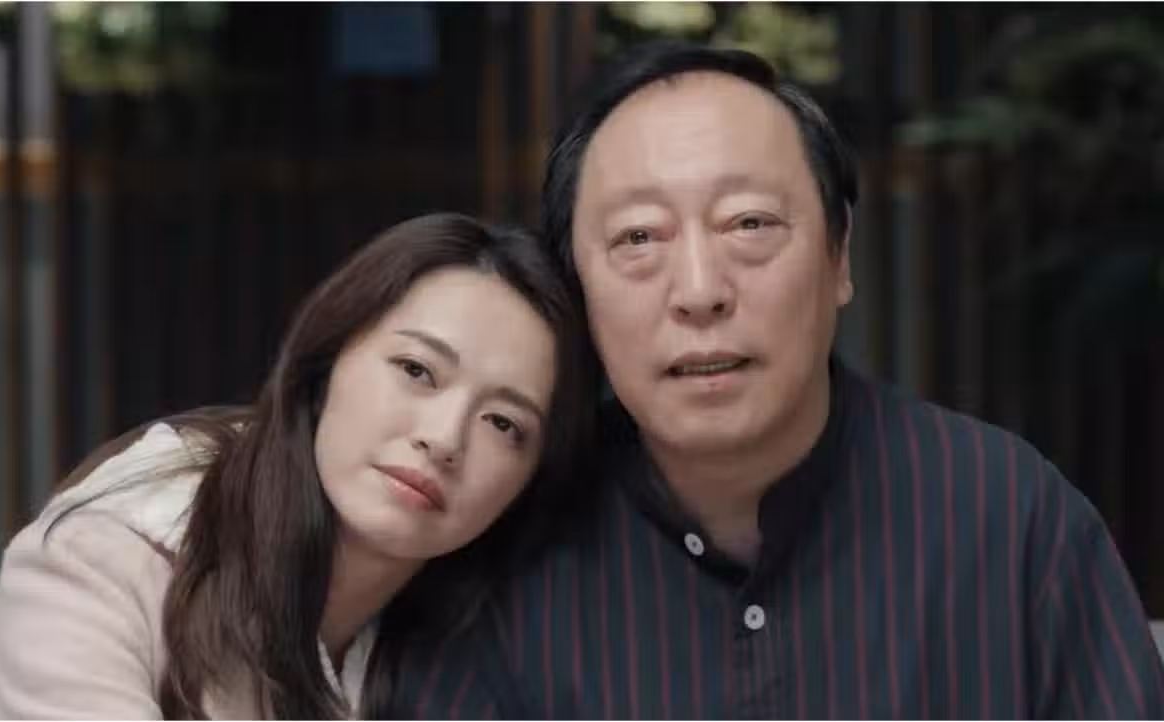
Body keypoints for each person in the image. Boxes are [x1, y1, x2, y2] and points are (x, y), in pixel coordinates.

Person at [391, 42, 1164, 719]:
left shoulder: (1010, 518)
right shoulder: (502, 555)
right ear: (577, 291)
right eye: (639, 237)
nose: (699, 290)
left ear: (839, 256)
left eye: (750, 223)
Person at [0, 212, 596, 719]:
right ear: (325, 364)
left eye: (503, 424)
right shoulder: (105, 559)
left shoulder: (476, 641)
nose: (444, 438)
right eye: (416, 370)